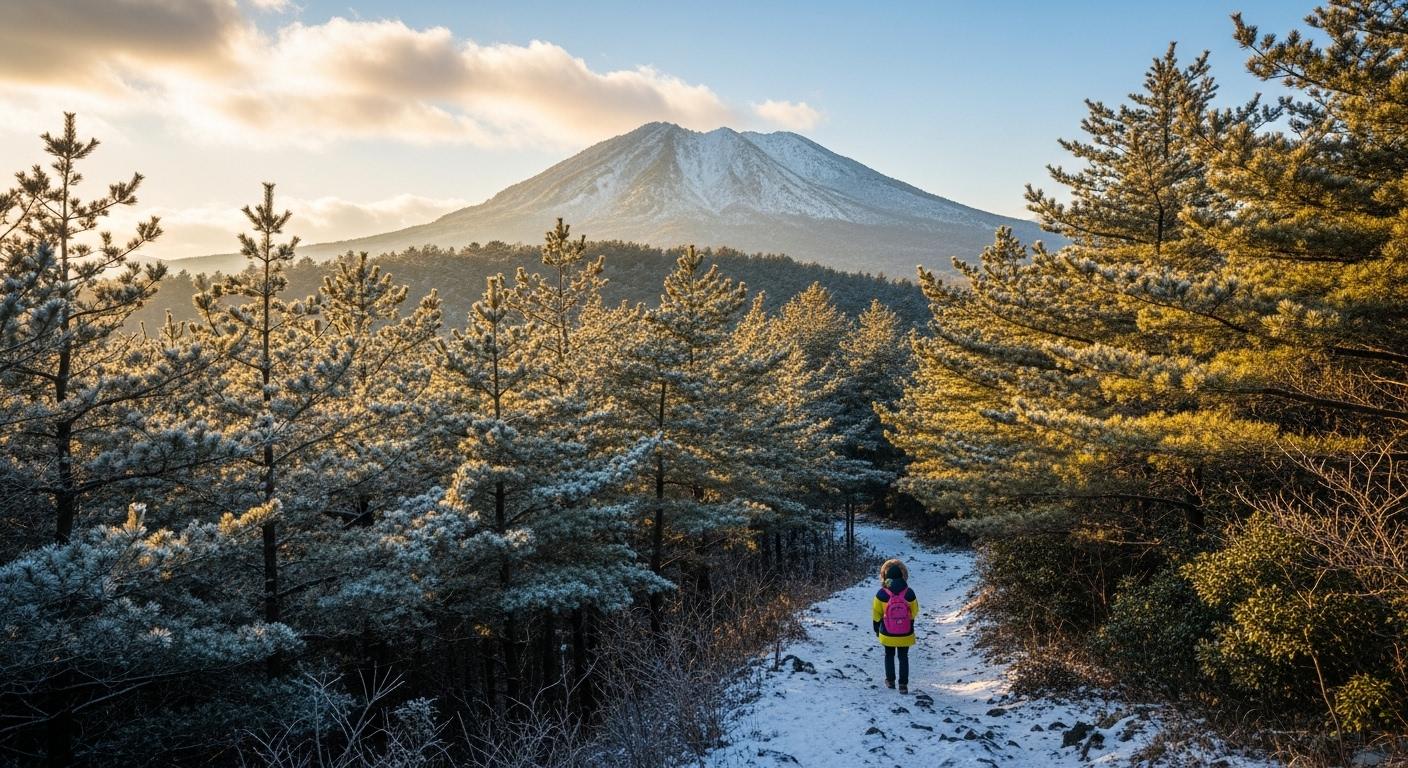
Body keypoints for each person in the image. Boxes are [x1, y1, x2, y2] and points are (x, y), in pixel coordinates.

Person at [871, 558, 918, 693]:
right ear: (903, 575)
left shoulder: (881, 593)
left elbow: (876, 613)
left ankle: (890, 681)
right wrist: (907, 620)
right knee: (903, 657)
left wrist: (876, 628)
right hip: (906, 631)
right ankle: (903, 685)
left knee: (889, 655)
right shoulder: (909, 592)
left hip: (887, 632)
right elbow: (915, 611)